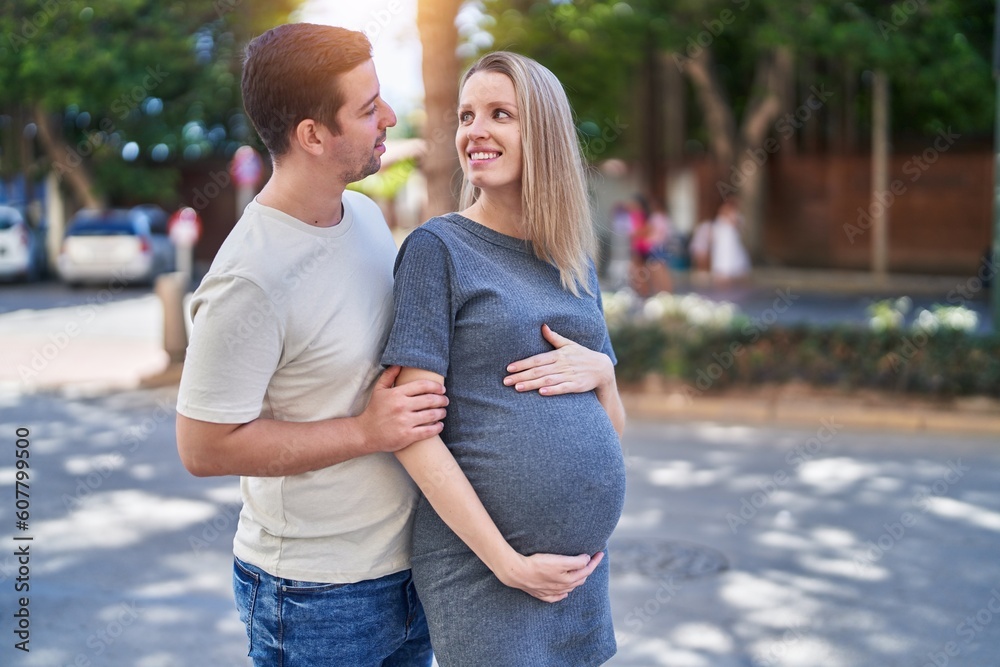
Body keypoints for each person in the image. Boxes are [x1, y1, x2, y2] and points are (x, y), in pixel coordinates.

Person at [174, 24, 598, 667]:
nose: (390, 118)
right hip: (316, 595)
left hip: (411, 571)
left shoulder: (365, 217)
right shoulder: (249, 279)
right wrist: (366, 432)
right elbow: (202, 448)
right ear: (313, 136)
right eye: (369, 108)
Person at [381, 51, 627, 666]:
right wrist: (511, 565)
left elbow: (609, 428)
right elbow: (411, 434)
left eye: (500, 114)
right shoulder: (437, 249)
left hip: (579, 576)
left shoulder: (572, 259)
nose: (475, 132)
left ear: (542, 133)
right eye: (466, 115)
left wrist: (605, 373)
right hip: (485, 570)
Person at [710, 197, 751, 285]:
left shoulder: (736, 215)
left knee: (736, 260)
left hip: (732, 243)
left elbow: (739, 227)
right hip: (723, 244)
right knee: (723, 261)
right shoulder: (720, 219)